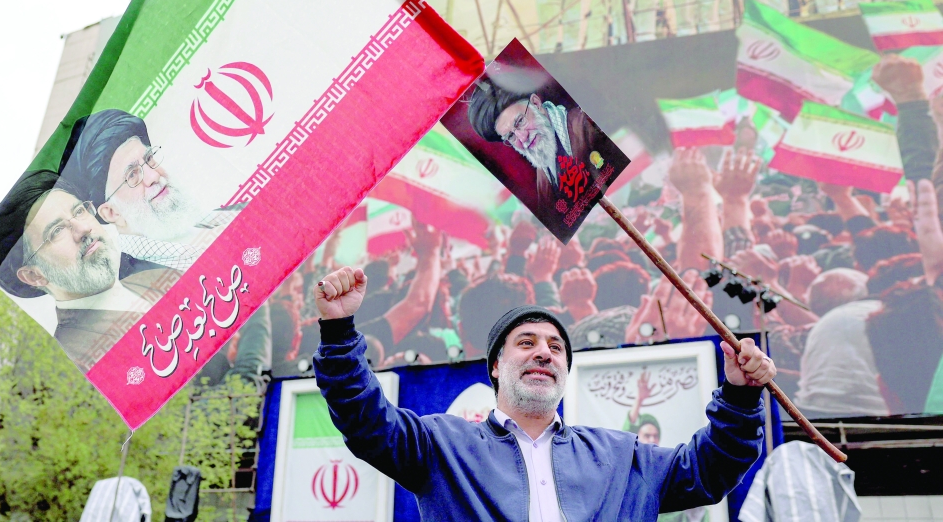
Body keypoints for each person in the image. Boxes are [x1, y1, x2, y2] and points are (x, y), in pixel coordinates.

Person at [312, 266, 774, 520]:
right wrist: (337, 330)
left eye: (556, 347)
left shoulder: (621, 457)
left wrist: (740, 395)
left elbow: (710, 471)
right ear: (495, 366)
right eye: (526, 343)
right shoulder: (441, 446)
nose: (544, 353)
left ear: (566, 370)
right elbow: (364, 418)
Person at [0, 171, 157, 371]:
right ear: (34, 275)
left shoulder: (156, 277)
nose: (83, 229)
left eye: (80, 211)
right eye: (56, 231)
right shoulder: (66, 363)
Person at [60, 109, 228, 271]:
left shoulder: (221, 216)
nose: (154, 176)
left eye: (149, 158)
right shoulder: (140, 283)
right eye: (133, 175)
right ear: (111, 212)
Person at [466, 78, 623, 238]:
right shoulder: (543, 180)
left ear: (536, 104)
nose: (522, 137)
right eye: (511, 136)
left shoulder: (586, 126)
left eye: (520, 122)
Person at [623, 370, 708, 522]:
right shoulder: (628, 466)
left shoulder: (667, 467)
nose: (652, 439)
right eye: (646, 435)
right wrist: (639, 400)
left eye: (655, 436)